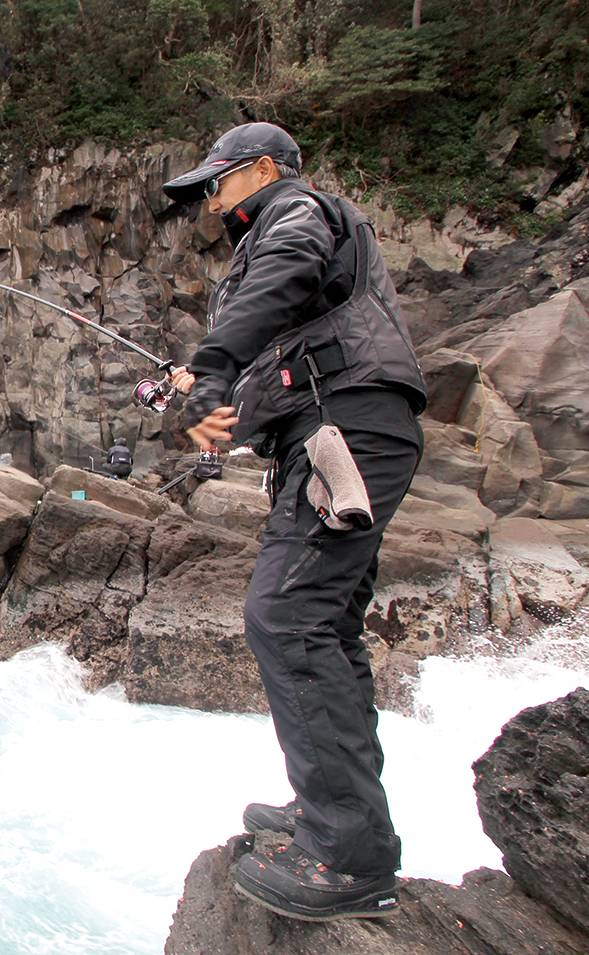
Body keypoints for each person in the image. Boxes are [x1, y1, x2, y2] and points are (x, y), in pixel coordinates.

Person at [160, 122, 427, 922]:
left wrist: (212, 365)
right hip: (335, 431)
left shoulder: (297, 210)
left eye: (218, 181)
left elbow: (281, 278)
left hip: (349, 433)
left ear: (266, 169)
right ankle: (338, 816)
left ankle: (350, 857)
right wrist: (212, 395)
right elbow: (288, 344)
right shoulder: (292, 230)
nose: (210, 200)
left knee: (286, 615)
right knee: (326, 624)